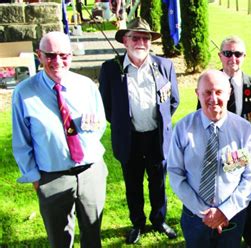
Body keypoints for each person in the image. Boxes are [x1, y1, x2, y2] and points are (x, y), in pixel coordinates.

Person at [11, 31, 108, 247]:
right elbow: (21, 141)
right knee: (60, 240)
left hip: (90, 172)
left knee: (93, 234)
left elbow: (100, 123)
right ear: (39, 55)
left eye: (63, 55)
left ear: (71, 55)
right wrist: (36, 178)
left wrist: (92, 129)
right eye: (50, 55)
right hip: (52, 177)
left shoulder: (86, 86)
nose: (57, 62)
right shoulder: (24, 93)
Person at [98, 17, 179, 244]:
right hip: (129, 139)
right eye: (135, 37)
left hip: (156, 137)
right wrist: (124, 124)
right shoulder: (111, 69)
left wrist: (159, 121)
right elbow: (106, 106)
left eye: (145, 38)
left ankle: (159, 219)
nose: (141, 42)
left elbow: (173, 101)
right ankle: (137, 223)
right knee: (133, 184)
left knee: (158, 182)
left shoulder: (165, 66)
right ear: (125, 40)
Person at [168, 69, 251, 248]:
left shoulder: (244, 129)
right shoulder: (183, 128)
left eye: (218, 92)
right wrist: (204, 212)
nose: (213, 98)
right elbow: (175, 173)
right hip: (195, 217)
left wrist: (225, 211)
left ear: (229, 93)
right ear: (197, 94)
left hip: (232, 217)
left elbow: (250, 176)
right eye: (207, 92)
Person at [205, 35, 251, 248]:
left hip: (244, 154)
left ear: (244, 57)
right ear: (220, 56)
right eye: (228, 53)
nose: (233, 58)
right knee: (219, 194)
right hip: (217, 151)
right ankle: (220, 233)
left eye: (238, 54)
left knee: (246, 196)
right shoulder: (210, 84)